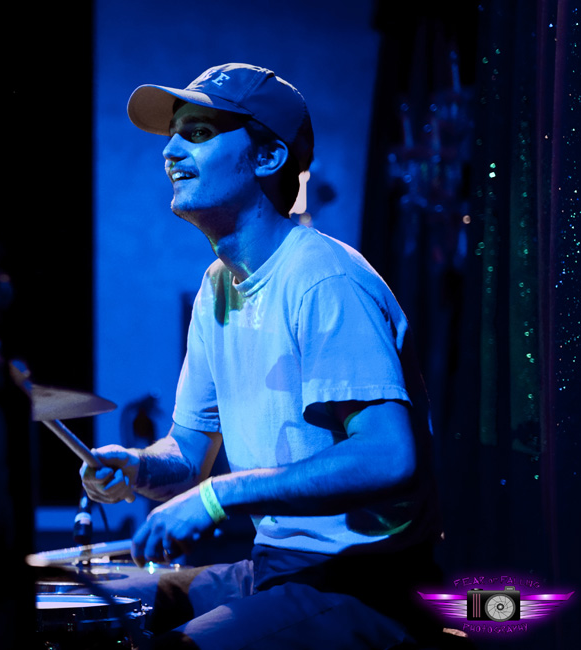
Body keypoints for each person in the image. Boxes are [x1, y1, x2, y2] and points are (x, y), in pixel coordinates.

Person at [80, 63, 443, 649]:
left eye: (197, 133)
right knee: (93, 605)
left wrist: (219, 496)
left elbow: (388, 454)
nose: (170, 151)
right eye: (173, 135)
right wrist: (140, 467)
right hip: (274, 568)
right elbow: (191, 451)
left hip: (361, 584)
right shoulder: (216, 286)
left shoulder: (323, 280)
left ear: (269, 158)